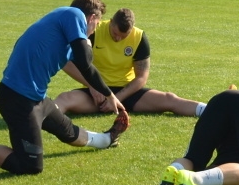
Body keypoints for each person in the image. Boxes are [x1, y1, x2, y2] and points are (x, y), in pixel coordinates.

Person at [0, 0, 130, 175]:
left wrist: (103, 91)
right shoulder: (73, 14)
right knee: (30, 165)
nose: (94, 30)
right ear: (91, 17)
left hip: (35, 98)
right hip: (17, 99)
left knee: (68, 131)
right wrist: (108, 93)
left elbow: (84, 66)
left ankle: (107, 139)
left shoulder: (61, 28)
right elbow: (85, 60)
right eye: (96, 25)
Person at [53, 8, 206, 118]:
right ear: (111, 22)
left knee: (169, 99)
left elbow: (141, 77)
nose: (118, 39)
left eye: (123, 36)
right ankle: (39, 119)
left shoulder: (139, 37)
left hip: (127, 92)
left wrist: (117, 98)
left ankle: (209, 110)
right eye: (115, 34)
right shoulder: (95, 31)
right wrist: (93, 87)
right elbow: (67, 62)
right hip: (97, 93)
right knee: (65, 98)